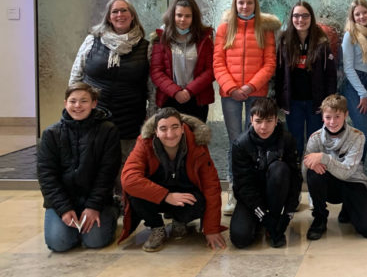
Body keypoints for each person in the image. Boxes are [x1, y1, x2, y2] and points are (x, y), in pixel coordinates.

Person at [119, 108, 227, 252]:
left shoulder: (197, 143)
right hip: (157, 195)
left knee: (200, 202)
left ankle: (180, 221)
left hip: (184, 192)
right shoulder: (144, 143)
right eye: (163, 129)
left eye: (175, 127)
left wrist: (212, 229)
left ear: (182, 128)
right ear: (156, 132)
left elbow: (211, 186)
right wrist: (166, 195)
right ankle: (157, 227)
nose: (170, 134)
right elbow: (129, 179)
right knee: (135, 194)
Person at [213, 0, 281, 215]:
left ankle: (255, 185)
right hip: (230, 94)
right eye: (241, 3)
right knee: (235, 141)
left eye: (249, 3)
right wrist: (231, 87)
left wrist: (250, 86)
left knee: (255, 138)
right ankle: (235, 188)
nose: (245, 7)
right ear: (235, 5)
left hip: (256, 91)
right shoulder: (224, 29)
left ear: (255, 5)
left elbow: (270, 63)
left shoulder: (264, 30)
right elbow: (218, 62)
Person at [37, 83, 121, 252]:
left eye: (84, 101)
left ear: (94, 103)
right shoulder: (50, 134)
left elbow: (107, 173)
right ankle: (73, 227)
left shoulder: (107, 131)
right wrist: (64, 209)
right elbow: (47, 176)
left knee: (95, 241)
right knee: (59, 243)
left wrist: (93, 206)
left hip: (96, 199)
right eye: (73, 101)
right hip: (63, 199)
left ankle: (113, 211)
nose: (77, 106)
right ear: (65, 103)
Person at [69, 0, 150, 165]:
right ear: (108, 16)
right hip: (94, 114)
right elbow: (77, 75)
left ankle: (121, 193)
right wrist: (74, 105)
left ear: (132, 15)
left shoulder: (146, 47)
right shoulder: (92, 40)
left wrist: (152, 117)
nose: (119, 14)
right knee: (94, 163)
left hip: (130, 117)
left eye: (124, 10)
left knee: (126, 167)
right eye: (115, 11)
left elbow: (151, 86)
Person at [229, 98, 302, 248]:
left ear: (276, 120)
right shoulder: (240, 144)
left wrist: (287, 215)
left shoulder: (286, 139)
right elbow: (243, 187)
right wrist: (263, 217)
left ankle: (274, 219)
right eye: (258, 121)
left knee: (279, 169)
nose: (263, 127)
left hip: (276, 194)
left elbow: (295, 180)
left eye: (269, 121)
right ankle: (263, 221)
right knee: (240, 239)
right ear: (251, 120)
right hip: (251, 197)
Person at [304, 94, 367, 240]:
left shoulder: (358, 136)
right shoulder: (315, 138)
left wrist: (323, 158)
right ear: (322, 117)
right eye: (328, 117)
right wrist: (312, 165)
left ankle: (353, 206)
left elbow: (347, 172)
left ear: (346, 115)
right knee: (313, 173)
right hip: (330, 186)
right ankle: (319, 218)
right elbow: (304, 168)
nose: (332, 122)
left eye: (337, 116)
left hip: (353, 182)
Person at [276, 1, 337, 160]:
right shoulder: (284, 41)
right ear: (291, 18)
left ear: (311, 18)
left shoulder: (321, 42)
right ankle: (296, 174)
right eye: (296, 16)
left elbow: (330, 75)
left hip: (316, 102)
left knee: (315, 141)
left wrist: (328, 103)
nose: (300, 19)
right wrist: (281, 101)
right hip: (293, 102)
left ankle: (312, 174)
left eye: (305, 16)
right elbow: (279, 74)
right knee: (295, 141)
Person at [150, 0, 214, 123]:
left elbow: (211, 70)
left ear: (194, 17)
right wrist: (176, 92)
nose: (182, 19)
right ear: (172, 16)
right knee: (171, 140)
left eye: (187, 16)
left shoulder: (204, 39)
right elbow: (156, 71)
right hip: (170, 98)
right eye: (179, 15)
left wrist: (189, 91)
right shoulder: (161, 38)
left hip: (197, 98)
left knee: (196, 141)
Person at [340, 0, 367, 162]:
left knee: (359, 134)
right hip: (354, 86)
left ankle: (352, 168)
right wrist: (362, 93)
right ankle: (350, 167)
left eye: (364, 12)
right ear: (352, 17)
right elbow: (348, 68)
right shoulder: (349, 36)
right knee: (365, 134)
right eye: (357, 14)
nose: (361, 16)